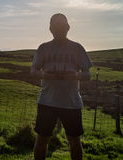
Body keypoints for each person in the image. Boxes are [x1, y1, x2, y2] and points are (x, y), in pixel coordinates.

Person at [31, 13, 92, 160]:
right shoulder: (43, 48)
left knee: (74, 141)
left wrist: (75, 75)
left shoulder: (77, 48)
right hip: (47, 102)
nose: (58, 30)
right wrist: (45, 75)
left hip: (71, 103)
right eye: (55, 27)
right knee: (42, 140)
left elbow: (88, 75)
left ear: (68, 28)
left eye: (61, 27)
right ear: (50, 29)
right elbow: (33, 71)